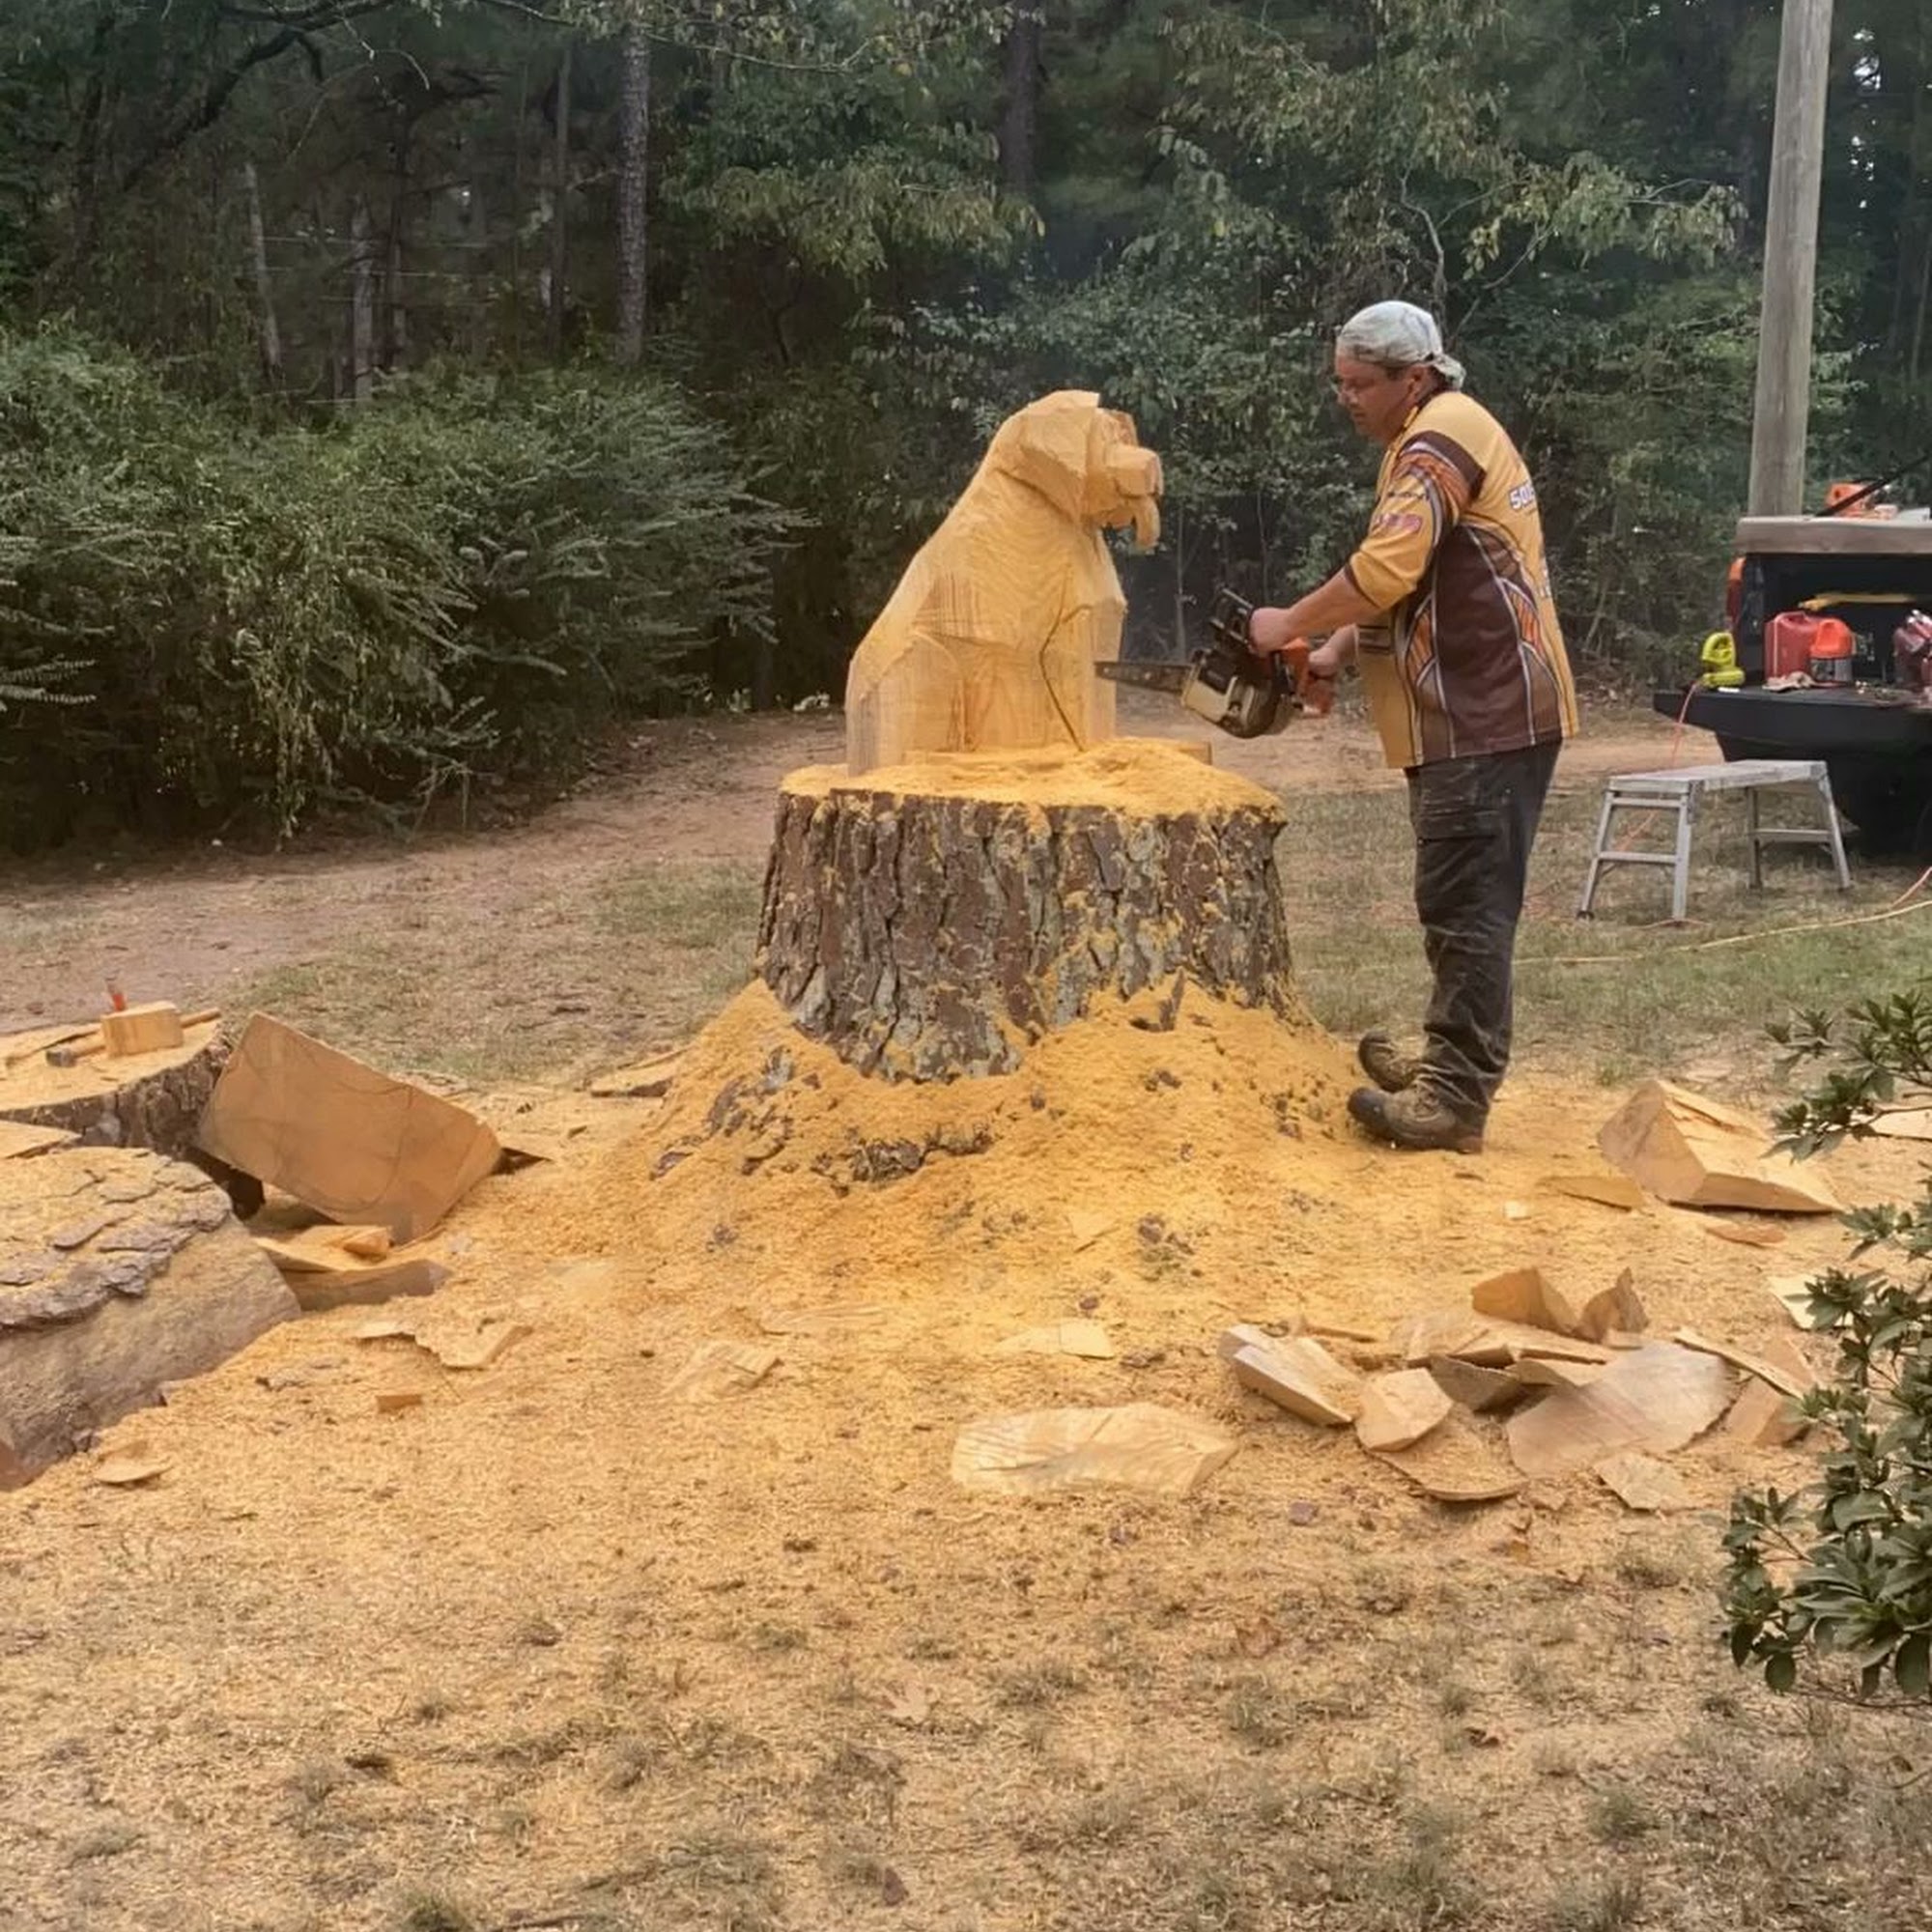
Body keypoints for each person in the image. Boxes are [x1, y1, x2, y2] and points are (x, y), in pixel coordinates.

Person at [1248, 300, 1577, 1154]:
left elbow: (1388, 568)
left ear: (1415, 377)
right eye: (1340, 383)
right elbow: (1421, 583)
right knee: (1453, 900)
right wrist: (1331, 655)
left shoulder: (1436, 442)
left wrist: (1286, 625)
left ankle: (1456, 1099)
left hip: (1485, 715)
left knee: (1466, 907)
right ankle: (1447, 1056)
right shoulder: (1433, 436)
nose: (1346, 398)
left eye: (1360, 384)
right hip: (1475, 713)